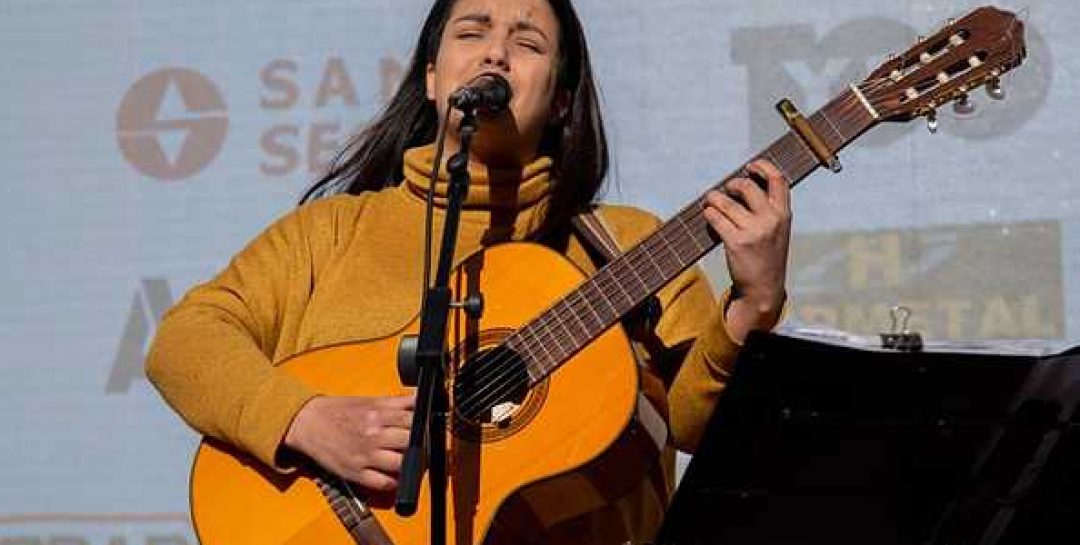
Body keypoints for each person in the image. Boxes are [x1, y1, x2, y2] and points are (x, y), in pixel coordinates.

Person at [145, 0, 791, 542]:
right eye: (472, 31)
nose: (495, 53)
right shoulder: (331, 231)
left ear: (563, 100)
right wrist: (306, 419)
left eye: (527, 41)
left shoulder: (623, 245)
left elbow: (693, 426)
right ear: (431, 78)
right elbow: (183, 341)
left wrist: (753, 305)